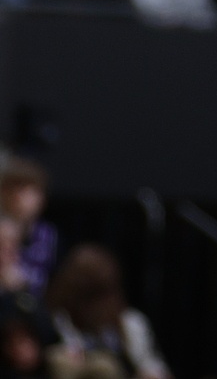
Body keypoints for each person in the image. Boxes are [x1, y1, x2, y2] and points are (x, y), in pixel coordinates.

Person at [46, 244, 170, 379]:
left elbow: (152, 367)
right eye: (88, 298)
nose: (96, 307)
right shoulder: (59, 321)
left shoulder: (131, 323)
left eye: (100, 296)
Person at [0, 159, 56, 298]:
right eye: (16, 189)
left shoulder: (46, 234)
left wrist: (21, 281)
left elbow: (44, 279)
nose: (20, 197)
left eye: (31, 191)